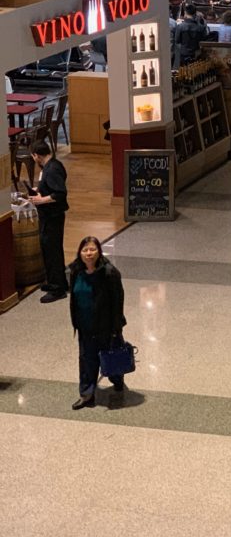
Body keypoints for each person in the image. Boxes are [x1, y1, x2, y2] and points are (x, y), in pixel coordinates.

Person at [68, 236, 127, 409]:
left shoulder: (110, 273)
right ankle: (87, 394)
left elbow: (118, 300)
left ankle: (117, 380)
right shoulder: (75, 272)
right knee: (87, 360)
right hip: (85, 326)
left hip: (106, 326)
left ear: (99, 252)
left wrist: (116, 328)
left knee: (111, 357)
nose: (89, 253)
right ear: (80, 253)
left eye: (92, 249)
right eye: (85, 250)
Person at [28, 143, 69, 303]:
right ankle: (57, 282)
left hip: (53, 216)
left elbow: (60, 194)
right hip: (51, 216)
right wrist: (40, 191)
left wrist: (40, 199)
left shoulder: (51, 170)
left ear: (36, 155)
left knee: (52, 252)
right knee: (52, 250)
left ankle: (57, 288)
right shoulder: (53, 165)